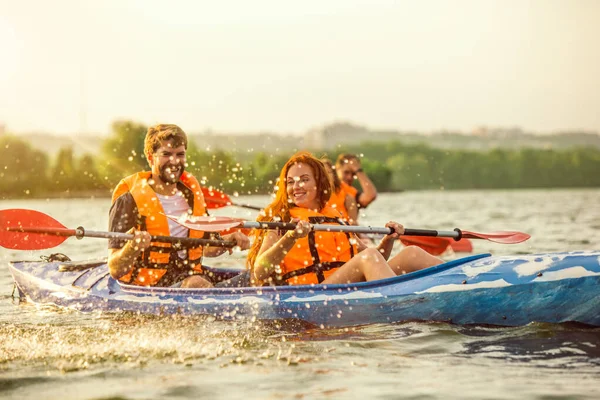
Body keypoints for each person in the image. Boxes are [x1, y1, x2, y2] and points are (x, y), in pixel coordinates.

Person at [247, 151, 442, 286]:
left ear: (319, 183)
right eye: (290, 182)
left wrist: (388, 240)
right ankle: (403, 303)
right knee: (368, 257)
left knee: (412, 253)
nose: (296, 186)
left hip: (346, 283)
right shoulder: (280, 220)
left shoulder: (335, 217)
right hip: (316, 292)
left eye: (304, 179)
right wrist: (290, 237)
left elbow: (378, 259)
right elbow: (260, 271)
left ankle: (466, 281)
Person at [107, 124, 250, 288]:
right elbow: (115, 269)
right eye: (166, 154)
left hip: (191, 277)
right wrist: (133, 246)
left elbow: (207, 248)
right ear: (150, 157)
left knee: (253, 277)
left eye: (180, 154)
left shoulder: (192, 195)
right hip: (149, 286)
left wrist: (227, 241)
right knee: (196, 283)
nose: (174, 161)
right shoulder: (129, 200)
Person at [321, 158, 358, 225]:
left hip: (343, 231)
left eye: (328, 172)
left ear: (334, 175)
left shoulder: (348, 197)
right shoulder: (310, 198)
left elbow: (354, 223)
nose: (325, 176)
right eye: (322, 174)